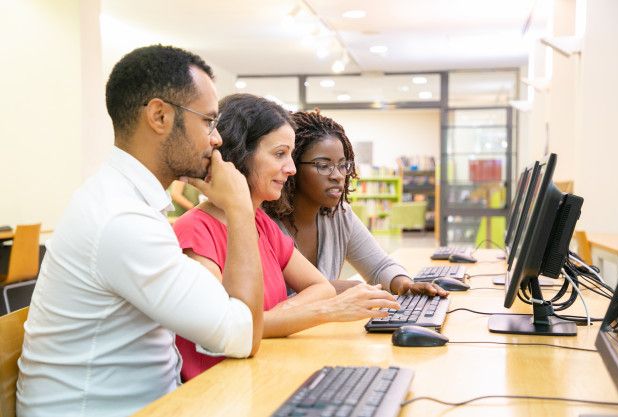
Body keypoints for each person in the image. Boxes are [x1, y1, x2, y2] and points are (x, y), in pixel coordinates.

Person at [16, 45, 264, 417]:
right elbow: (242, 336)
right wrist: (240, 209)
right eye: (208, 122)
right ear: (160, 116)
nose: (217, 140)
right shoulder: (121, 219)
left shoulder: (124, 201)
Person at [173, 93, 400, 380]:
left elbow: (321, 288)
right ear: (240, 155)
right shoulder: (194, 232)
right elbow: (234, 329)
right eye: (280, 154)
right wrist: (326, 312)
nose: (291, 169)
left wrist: (272, 318)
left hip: (265, 371)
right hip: (220, 387)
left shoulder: (261, 223)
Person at [264, 109, 448, 297]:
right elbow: (267, 305)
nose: (338, 175)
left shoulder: (339, 215)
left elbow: (379, 266)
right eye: (323, 165)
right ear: (292, 166)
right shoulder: (264, 224)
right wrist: (333, 290)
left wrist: (404, 284)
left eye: (343, 165)